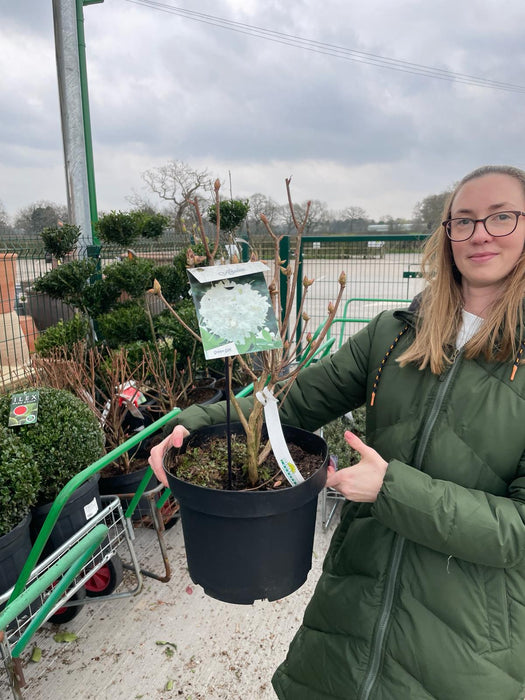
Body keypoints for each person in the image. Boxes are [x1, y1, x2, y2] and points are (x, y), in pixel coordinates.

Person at [149, 165, 525, 700]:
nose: (480, 233)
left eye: (501, 217)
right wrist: (195, 425)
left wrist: (390, 488)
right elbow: (290, 402)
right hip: (354, 608)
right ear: (445, 236)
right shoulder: (396, 336)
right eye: (463, 221)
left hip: (469, 645)